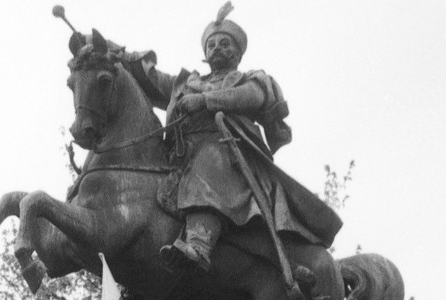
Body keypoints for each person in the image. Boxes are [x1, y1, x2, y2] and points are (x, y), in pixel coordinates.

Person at [114, 8, 336, 281]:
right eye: (211, 44)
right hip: (179, 154)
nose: (216, 48)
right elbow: (150, 77)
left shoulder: (251, 78)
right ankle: (137, 281)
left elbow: (251, 97)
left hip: (225, 148)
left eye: (224, 43)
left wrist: (205, 101)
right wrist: (117, 54)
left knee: (208, 162)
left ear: (237, 52)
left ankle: (199, 244)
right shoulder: (185, 83)